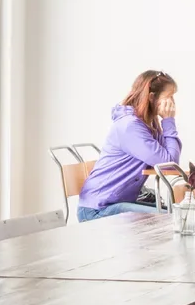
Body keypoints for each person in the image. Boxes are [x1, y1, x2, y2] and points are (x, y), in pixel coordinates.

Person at [78, 71, 184, 221]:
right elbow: (169, 164)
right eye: (169, 96)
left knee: (173, 213)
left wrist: (166, 122)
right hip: (97, 209)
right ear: (152, 97)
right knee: (169, 218)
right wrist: (168, 120)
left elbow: (169, 159)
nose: (172, 102)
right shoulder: (130, 126)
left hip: (117, 203)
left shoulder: (149, 123)